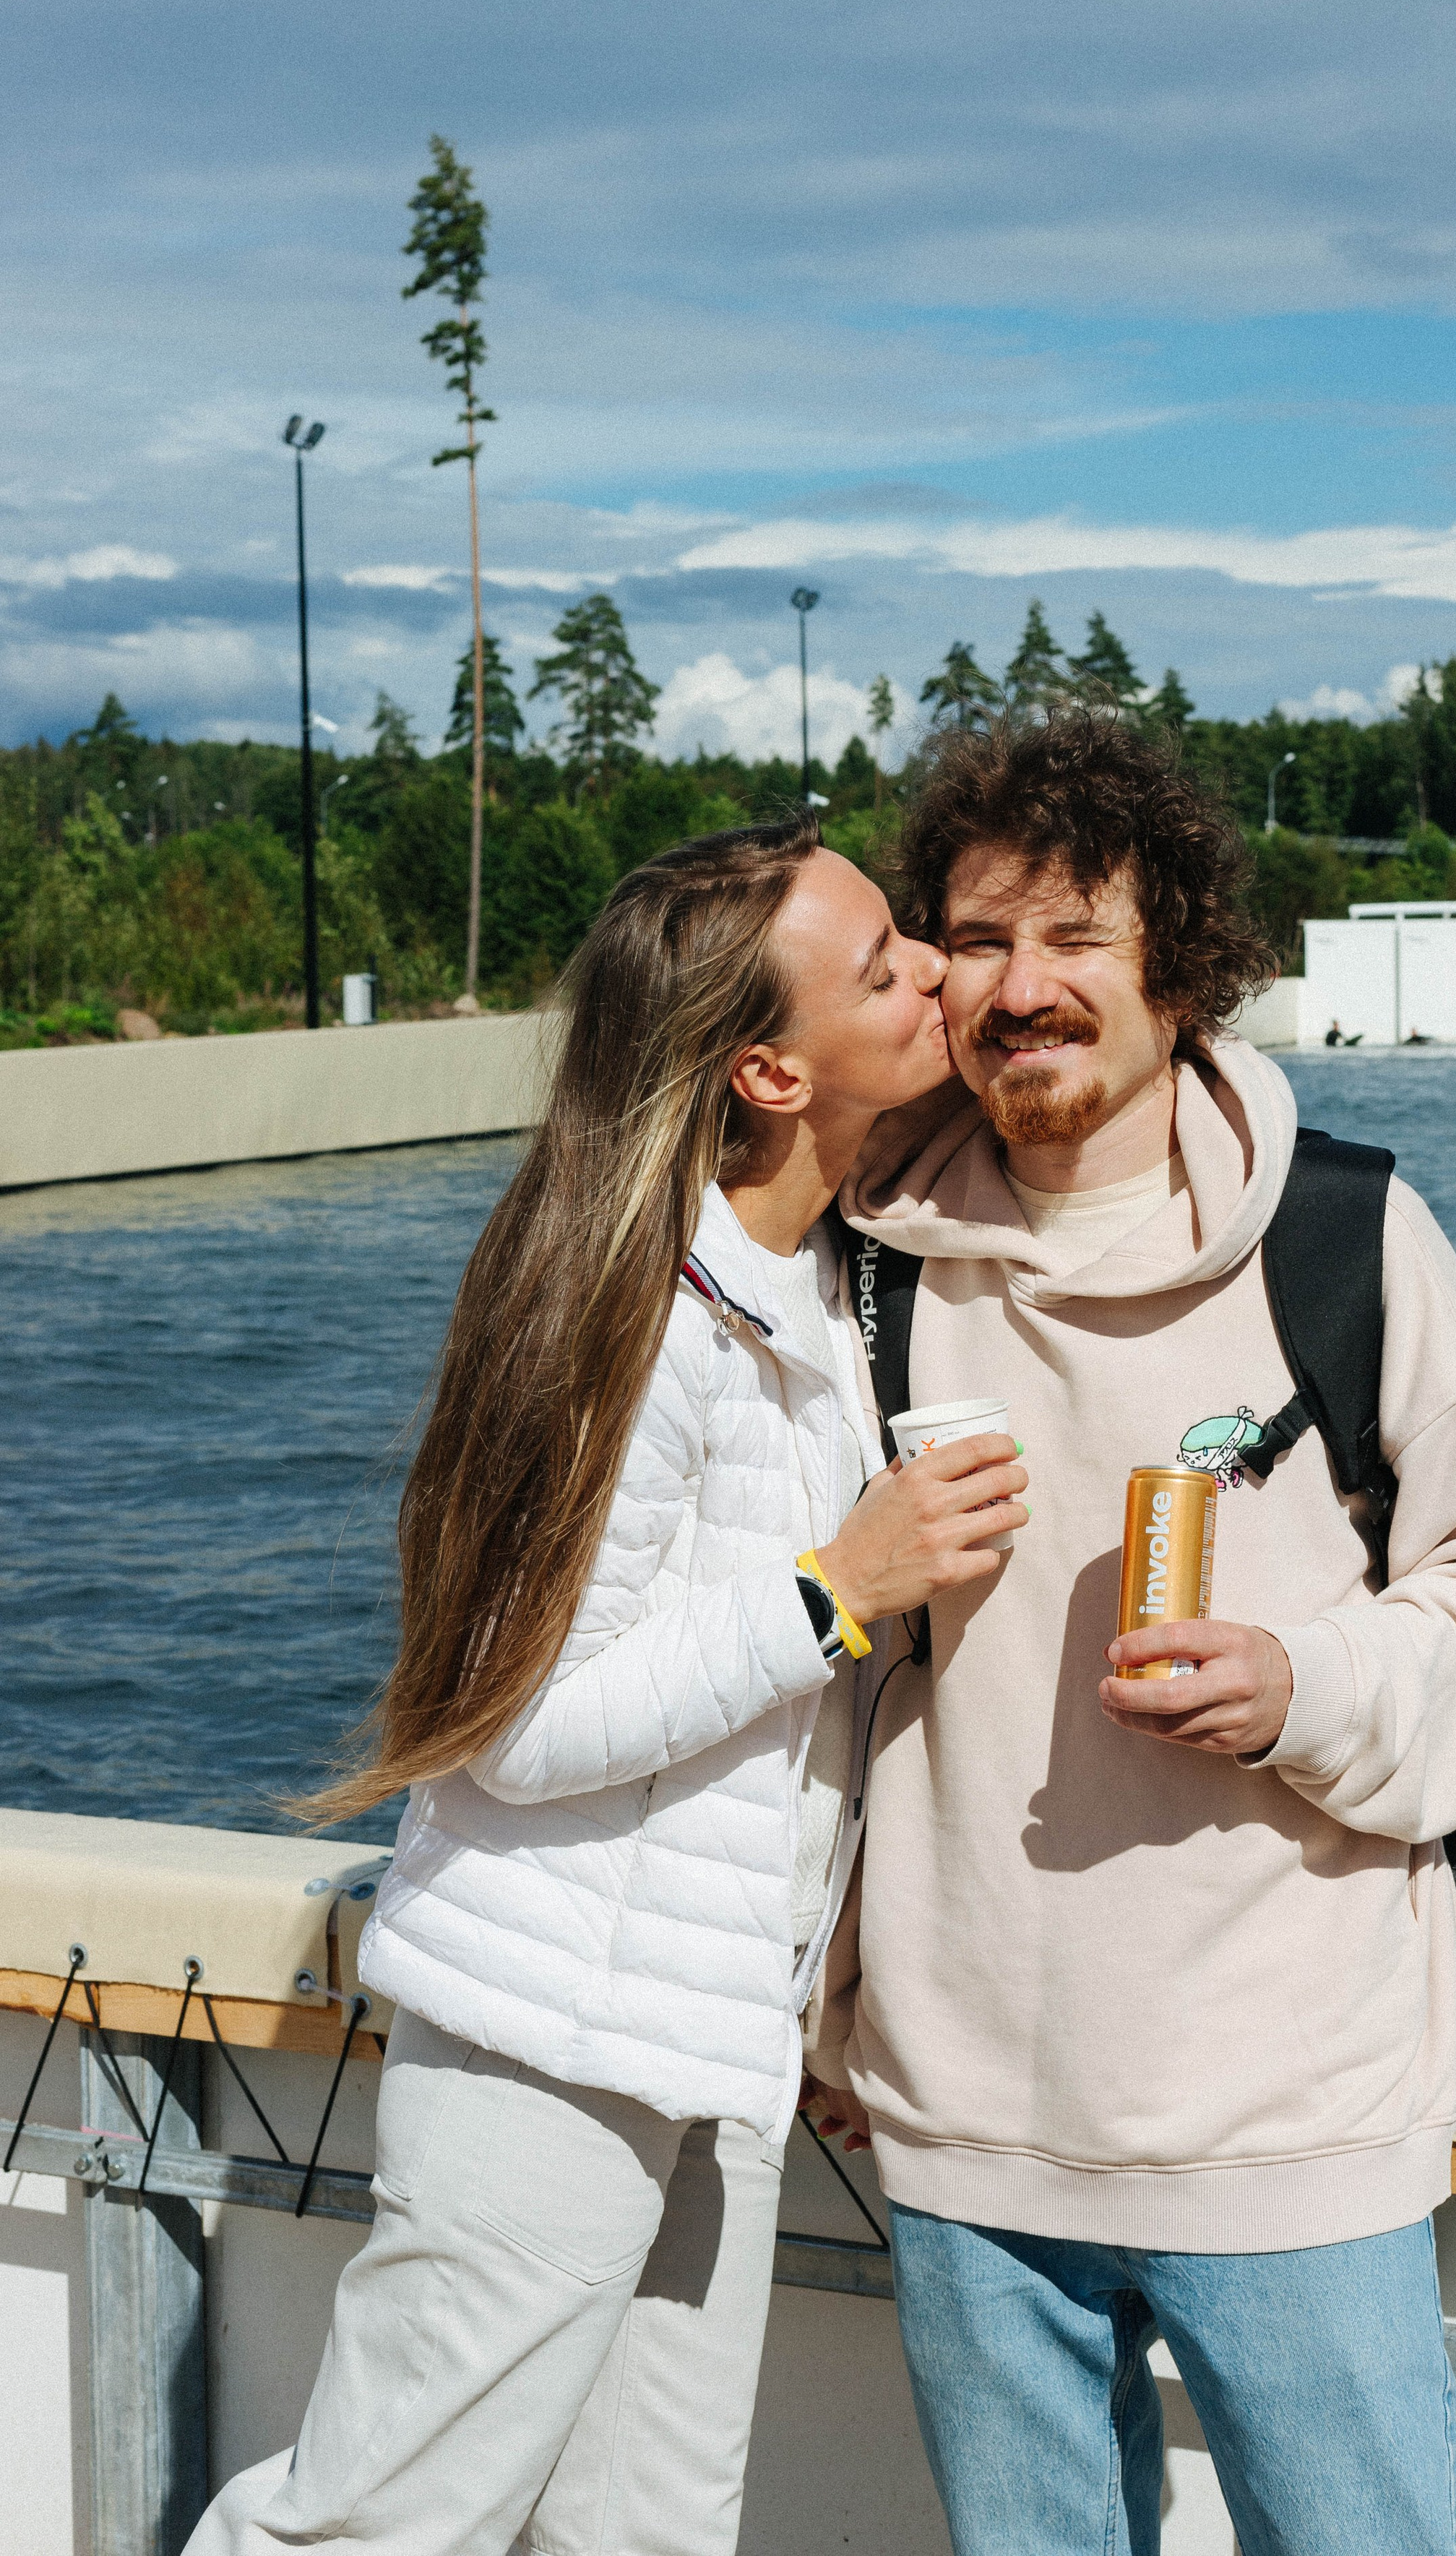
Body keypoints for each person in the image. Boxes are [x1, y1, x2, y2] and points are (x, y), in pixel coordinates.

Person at [186, 816, 1026, 2556]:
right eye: (888, 966)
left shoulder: (821, 1283)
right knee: (377, 2524)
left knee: (644, 2538)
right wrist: (836, 1589)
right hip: (541, 2051)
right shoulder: (638, 1314)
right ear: (769, 1071)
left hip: (703, 2047)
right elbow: (516, 1719)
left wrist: (815, 1981)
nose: (938, 970)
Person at [811, 713, 1456, 2556]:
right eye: (981, 941)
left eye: (1077, 939)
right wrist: (832, 1998)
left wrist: (1299, 1687)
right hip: (959, 2119)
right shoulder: (863, 1267)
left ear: (1182, 961)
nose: (1024, 990)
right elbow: (815, 1682)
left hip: (1292, 2119)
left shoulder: (1345, 1239)